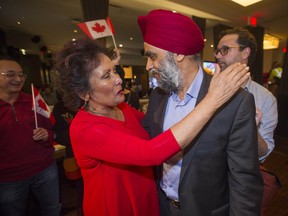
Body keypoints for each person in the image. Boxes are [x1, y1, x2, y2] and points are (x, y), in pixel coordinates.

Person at [54, 37, 249, 216]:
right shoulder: (85, 129)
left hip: (149, 202)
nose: (118, 79)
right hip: (117, 207)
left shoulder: (122, 108)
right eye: (106, 75)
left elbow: (159, 129)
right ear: (84, 93)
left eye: (115, 70)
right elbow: (150, 153)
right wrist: (212, 100)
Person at [139, 9, 263, 216]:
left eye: (152, 57)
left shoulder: (236, 102)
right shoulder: (158, 96)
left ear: (177, 52)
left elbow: (244, 182)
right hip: (162, 207)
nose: (148, 66)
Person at [215, 27, 279, 214]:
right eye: (217, 51)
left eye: (225, 50)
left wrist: (251, 126)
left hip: (239, 187)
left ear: (245, 52)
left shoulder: (266, 99)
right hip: (203, 180)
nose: (218, 55)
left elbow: (264, 152)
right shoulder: (204, 91)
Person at [0, 55, 61, 216]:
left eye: (21, 74)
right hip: (8, 178)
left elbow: (51, 132)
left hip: (45, 169)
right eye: (10, 74)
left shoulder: (34, 102)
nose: (18, 78)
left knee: (52, 208)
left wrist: (46, 135)